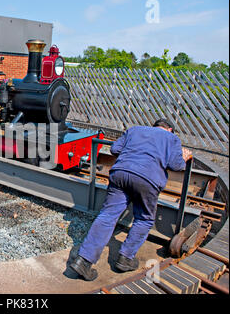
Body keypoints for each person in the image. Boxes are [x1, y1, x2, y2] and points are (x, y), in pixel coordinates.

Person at [70, 118, 192, 281]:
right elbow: (176, 165)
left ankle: (83, 260)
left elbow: (114, 149)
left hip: (120, 173)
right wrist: (184, 157)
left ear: (153, 126)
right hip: (148, 180)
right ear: (169, 129)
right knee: (144, 219)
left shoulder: (135, 130)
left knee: (107, 216)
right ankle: (125, 258)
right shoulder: (172, 138)